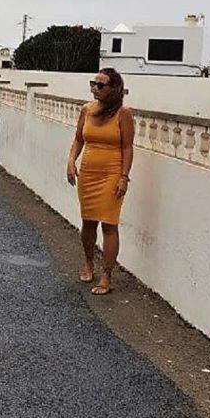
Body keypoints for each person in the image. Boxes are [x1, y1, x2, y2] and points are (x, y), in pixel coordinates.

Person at [66, 67, 134, 294]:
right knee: (88, 221)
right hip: (88, 172)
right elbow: (78, 139)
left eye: (101, 85)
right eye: (93, 84)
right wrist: (71, 161)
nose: (95, 88)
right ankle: (88, 262)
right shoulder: (87, 110)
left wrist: (124, 177)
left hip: (112, 173)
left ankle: (106, 275)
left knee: (109, 224)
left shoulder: (123, 114)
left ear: (114, 89)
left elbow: (127, 147)